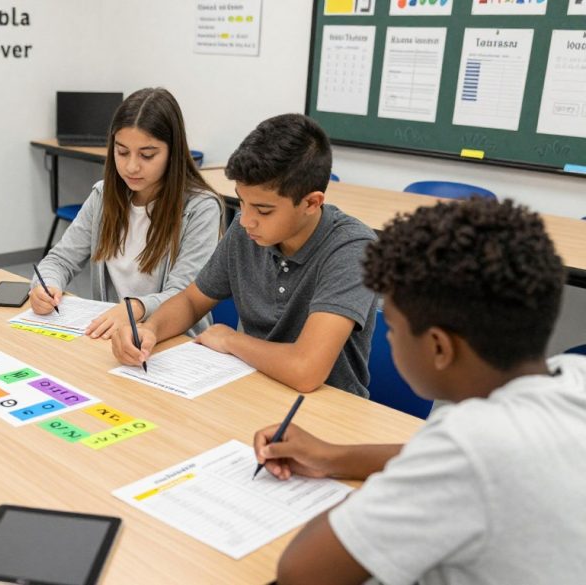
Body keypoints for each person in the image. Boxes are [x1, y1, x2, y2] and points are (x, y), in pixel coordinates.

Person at [258, 198, 586, 584]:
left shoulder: (468, 445)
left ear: (438, 347)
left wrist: (384, 496)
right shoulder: (573, 374)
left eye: (394, 327)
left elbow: (299, 572)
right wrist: (332, 457)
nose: (389, 337)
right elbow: (462, 460)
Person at [112, 114, 376, 396]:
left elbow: (306, 370)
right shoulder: (246, 230)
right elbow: (191, 301)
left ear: (311, 203)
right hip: (251, 389)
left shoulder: (353, 249)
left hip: (324, 408)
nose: (246, 220)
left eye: (263, 210)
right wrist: (150, 329)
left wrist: (231, 340)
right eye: (241, 201)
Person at [33, 87, 223, 338]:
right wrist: (46, 285)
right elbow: (60, 260)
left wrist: (136, 308)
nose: (131, 166)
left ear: (172, 152)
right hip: (112, 337)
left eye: (147, 155)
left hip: (173, 341)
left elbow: (184, 298)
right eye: (122, 152)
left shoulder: (200, 208)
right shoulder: (103, 196)